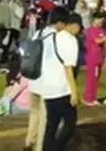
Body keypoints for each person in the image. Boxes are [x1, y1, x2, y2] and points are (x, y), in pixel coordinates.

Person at [32, 8, 80, 151]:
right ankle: (57, 148)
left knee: (51, 123)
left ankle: (43, 146)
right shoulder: (65, 38)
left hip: (42, 84)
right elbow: (68, 67)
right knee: (69, 122)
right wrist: (74, 92)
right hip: (61, 87)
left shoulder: (39, 34)